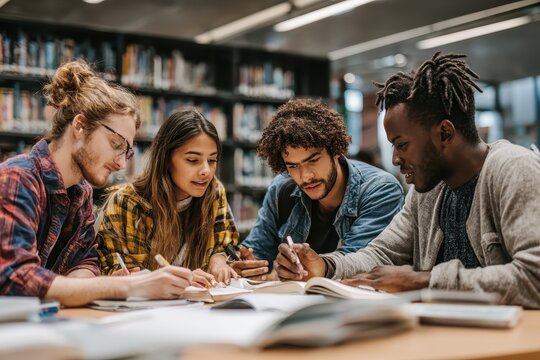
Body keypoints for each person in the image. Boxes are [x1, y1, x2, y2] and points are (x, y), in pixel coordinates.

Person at [275, 52, 540, 308]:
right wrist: (325, 265)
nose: (395, 159)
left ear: (444, 133)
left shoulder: (513, 169)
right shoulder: (427, 191)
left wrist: (423, 281)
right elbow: (381, 253)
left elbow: (534, 277)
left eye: (401, 145)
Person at [0, 60, 192, 306]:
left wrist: (89, 285)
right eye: (116, 145)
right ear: (79, 126)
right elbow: (16, 280)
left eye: (127, 152)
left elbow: (86, 262)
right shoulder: (17, 179)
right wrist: (126, 286)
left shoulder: (81, 194)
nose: (121, 164)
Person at [235, 98, 404, 280]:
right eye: (293, 166)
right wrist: (245, 265)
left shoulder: (380, 190)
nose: (305, 176)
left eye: (313, 161)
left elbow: (360, 263)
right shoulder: (282, 188)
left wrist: (292, 272)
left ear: (336, 150)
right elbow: (256, 252)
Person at [97, 109, 239, 286]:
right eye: (193, 160)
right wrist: (182, 280)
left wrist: (219, 260)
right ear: (165, 159)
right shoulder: (127, 203)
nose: (206, 171)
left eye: (212, 160)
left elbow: (223, 245)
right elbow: (124, 273)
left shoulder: (214, 191)